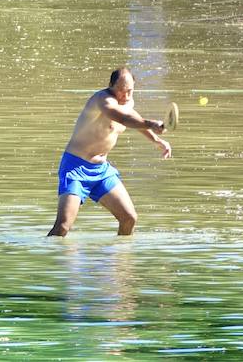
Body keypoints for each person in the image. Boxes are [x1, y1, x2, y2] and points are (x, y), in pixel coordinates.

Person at [48, 67, 171, 237]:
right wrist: (151, 123)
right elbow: (122, 118)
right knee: (63, 226)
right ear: (111, 86)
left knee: (129, 218)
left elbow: (132, 115)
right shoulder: (102, 100)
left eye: (129, 91)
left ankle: (120, 260)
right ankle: (51, 259)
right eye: (120, 91)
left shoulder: (128, 102)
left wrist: (157, 141)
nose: (125, 96)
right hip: (76, 167)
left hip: (102, 171)